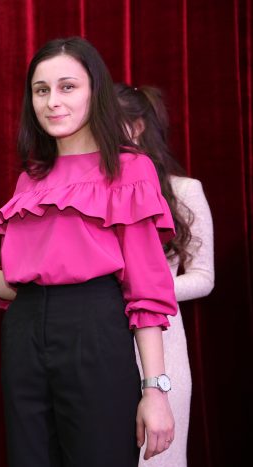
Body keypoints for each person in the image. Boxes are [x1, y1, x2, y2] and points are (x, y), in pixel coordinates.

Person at [0, 37, 178, 466]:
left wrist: (155, 390)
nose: (52, 101)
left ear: (95, 91)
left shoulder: (130, 169)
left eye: (67, 87)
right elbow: (22, 287)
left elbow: (146, 291)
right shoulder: (30, 180)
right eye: (41, 90)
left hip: (95, 335)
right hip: (23, 339)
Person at [115, 83, 215, 466]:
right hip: (102, 342)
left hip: (164, 347)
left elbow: (203, 278)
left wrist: (142, 287)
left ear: (137, 127)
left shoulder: (184, 190)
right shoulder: (95, 191)